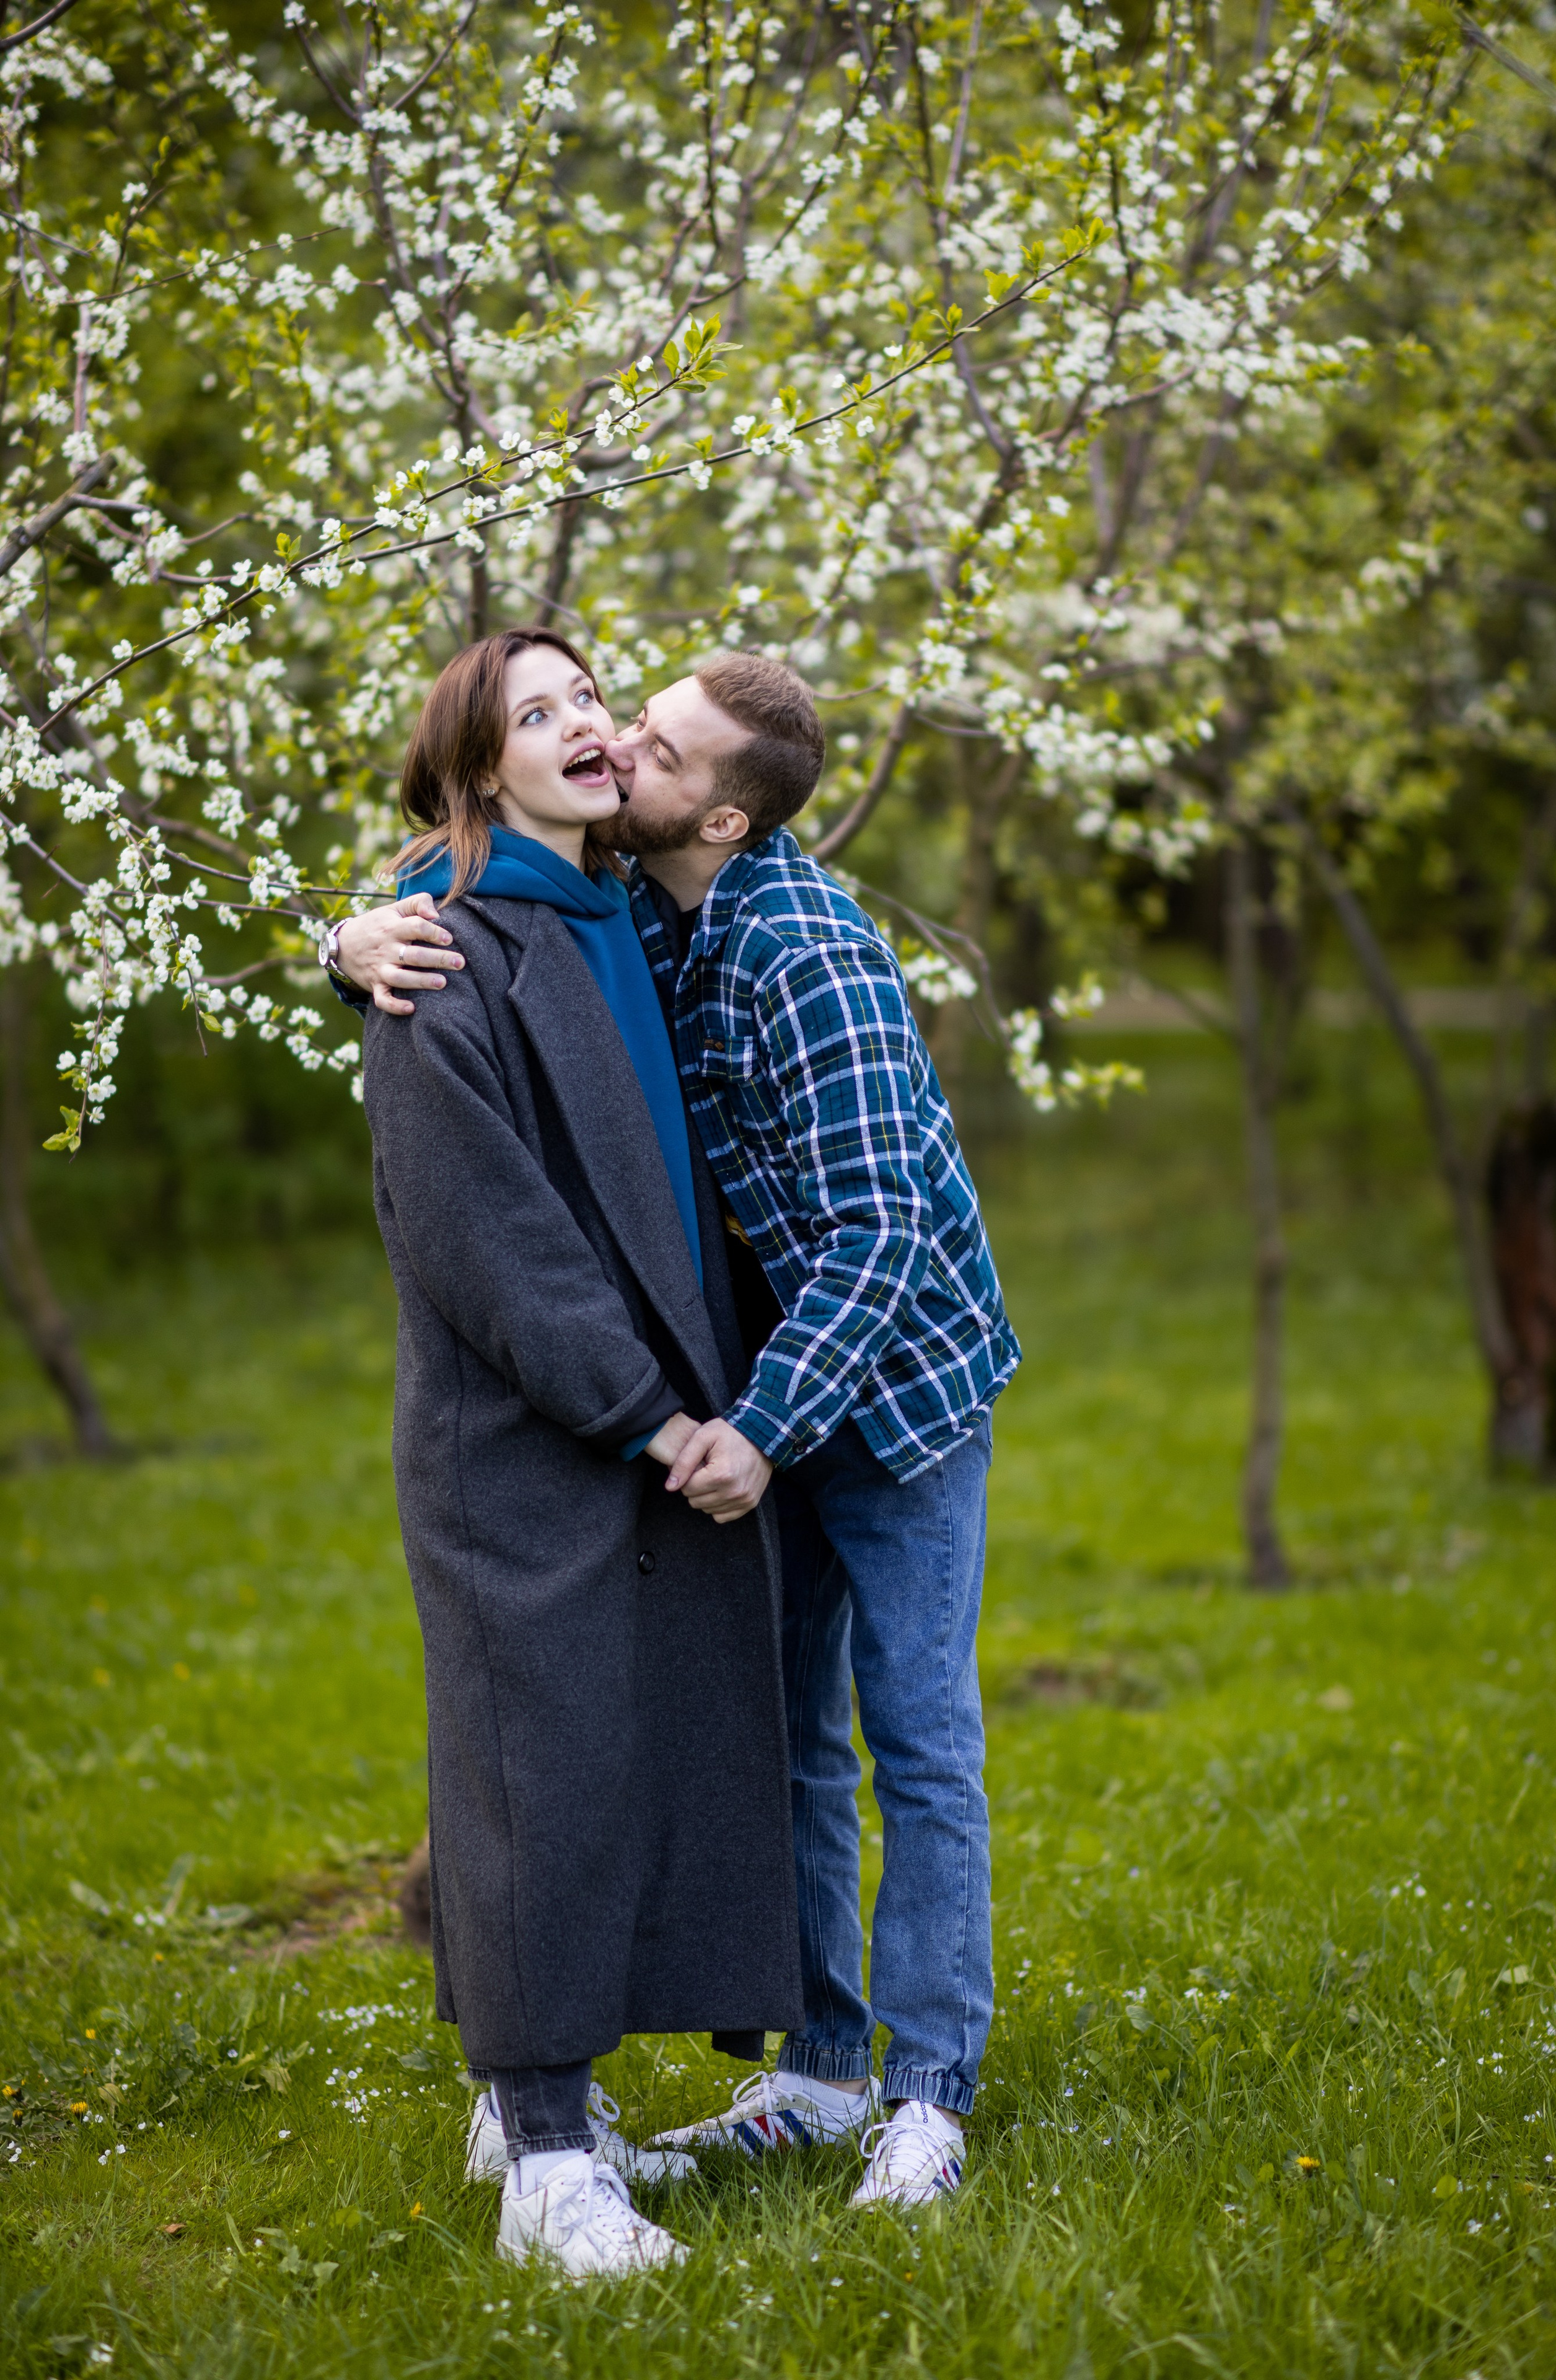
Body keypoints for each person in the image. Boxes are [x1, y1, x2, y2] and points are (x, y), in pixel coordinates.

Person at [330, 648, 1019, 2210]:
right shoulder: (638, 900)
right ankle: (821, 2067)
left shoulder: (807, 957)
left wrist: (756, 1428)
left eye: (649, 748)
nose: (615, 748)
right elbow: (468, 872)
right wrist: (350, 936)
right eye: (603, 721)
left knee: (916, 1740)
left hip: (889, 1395)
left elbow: (875, 1234)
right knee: (788, 1745)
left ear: (714, 820)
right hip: (759, 1390)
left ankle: (926, 2092)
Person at [353, 627, 802, 2280]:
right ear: (482, 771)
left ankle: (547, 2100)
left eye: (588, 698)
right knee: (530, 1766)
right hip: (529, 1429)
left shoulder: (617, 900)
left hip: (656, 1410)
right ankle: (547, 2160)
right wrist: (649, 1410)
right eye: (533, 715)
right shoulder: (442, 960)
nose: (584, 727)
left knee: (617, 1762)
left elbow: (753, 798)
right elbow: (495, 1244)